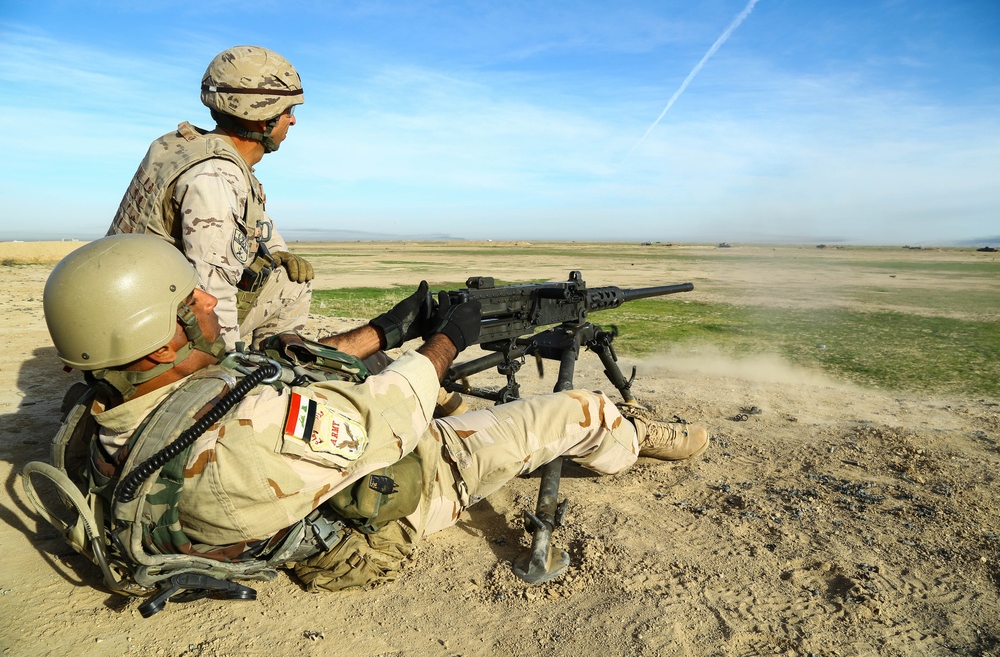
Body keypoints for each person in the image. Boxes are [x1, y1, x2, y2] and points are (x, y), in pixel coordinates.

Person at [41, 235, 709, 595]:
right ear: (160, 333)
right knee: (573, 408)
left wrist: (385, 331)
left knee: (411, 377)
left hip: (301, 486)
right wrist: (448, 337)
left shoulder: (117, 407)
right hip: (383, 503)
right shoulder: (249, 438)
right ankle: (631, 433)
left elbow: (268, 365)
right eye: (193, 302)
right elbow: (390, 414)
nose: (213, 307)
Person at [106, 45, 313, 351]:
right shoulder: (215, 176)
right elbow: (213, 289)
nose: (292, 121)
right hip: (147, 331)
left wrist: (278, 251)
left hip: (125, 311)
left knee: (286, 272)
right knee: (293, 286)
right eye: (287, 112)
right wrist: (228, 370)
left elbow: (254, 221)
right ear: (262, 119)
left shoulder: (189, 148)